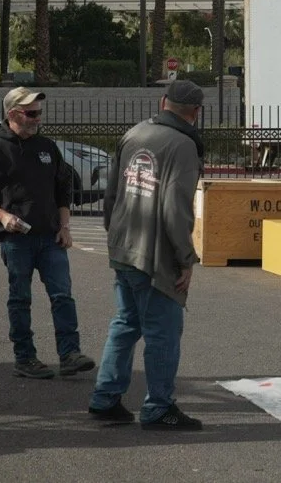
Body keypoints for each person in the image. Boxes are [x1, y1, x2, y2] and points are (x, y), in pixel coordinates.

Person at [88, 79, 205, 430]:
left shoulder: (135, 133)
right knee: (163, 332)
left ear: (162, 101)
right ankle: (158, 407)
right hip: (154, 255)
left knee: (126, 323)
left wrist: (115, 234)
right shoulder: (184, 146)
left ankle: (105, 398)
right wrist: (185, 259)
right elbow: (175, 209)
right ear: (196, 112)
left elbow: (111, 193)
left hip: (124, 246)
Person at [0, 87, 95, 380]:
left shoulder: (47, 147)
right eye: (32, 113)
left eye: (39, 113)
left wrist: (65, 227)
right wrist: (2, 216)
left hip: (51, 237)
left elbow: (63, 188)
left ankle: (70, 354)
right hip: (16, 240)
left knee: (62, 295)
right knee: (20, 298)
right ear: (13, 114)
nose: (38, 118)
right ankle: (24, 358)